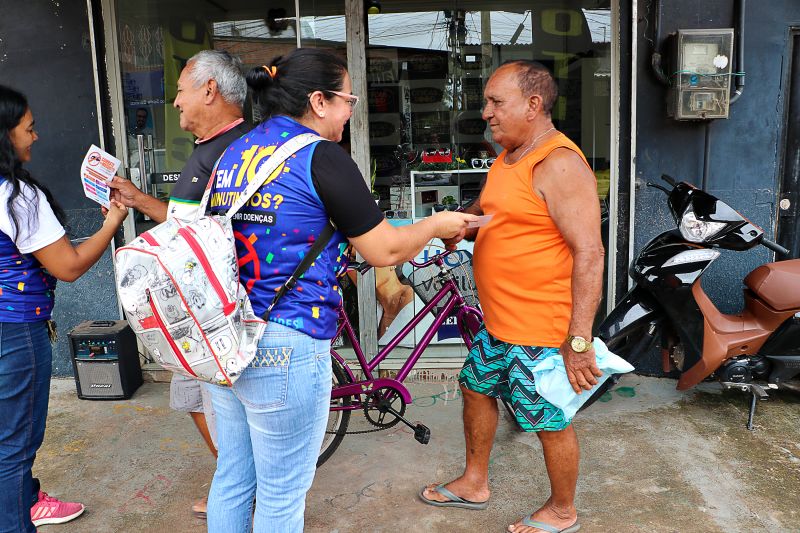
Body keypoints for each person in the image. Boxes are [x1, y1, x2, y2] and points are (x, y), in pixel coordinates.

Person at [206, 47, 477, 532]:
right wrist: (436, 223)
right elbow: (384, 250)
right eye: (349, 99)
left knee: (232, 479)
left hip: (226, 338)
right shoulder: (321, 156)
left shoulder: (237, 152)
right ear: (319, 101)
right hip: (286, 341)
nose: (352, 110)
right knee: (281, 494)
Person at [419, 60, 605, 533]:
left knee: (547, 417)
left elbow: (590, 253)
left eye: (496, 102)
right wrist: (461, 223)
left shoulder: (559, 164)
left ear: (534, 104)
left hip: (540, 329)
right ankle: (475, 482)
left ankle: (563, 510)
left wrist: (579, 340)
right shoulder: (509, 156)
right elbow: (492, 202)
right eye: (487, 103)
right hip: (499, 321)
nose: (487, 113)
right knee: (475, 387)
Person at [107, 49, 251, 519]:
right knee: (197, 400)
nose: (174, 103)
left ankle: (238, 486)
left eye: (181, 91)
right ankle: (235, 481)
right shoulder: (216, 148)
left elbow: (202, 237)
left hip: (215, 315)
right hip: (200, 312)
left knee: (213, 405)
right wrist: (139, 199)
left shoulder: (232, 150)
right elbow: (188, 223)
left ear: (210, 90)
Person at [0, 85, 128, 532]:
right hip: (14, 330)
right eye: (28, 129)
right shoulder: (16, 197)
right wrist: (112, 221)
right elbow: (68, 266)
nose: (35, 137)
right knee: (13, 448)